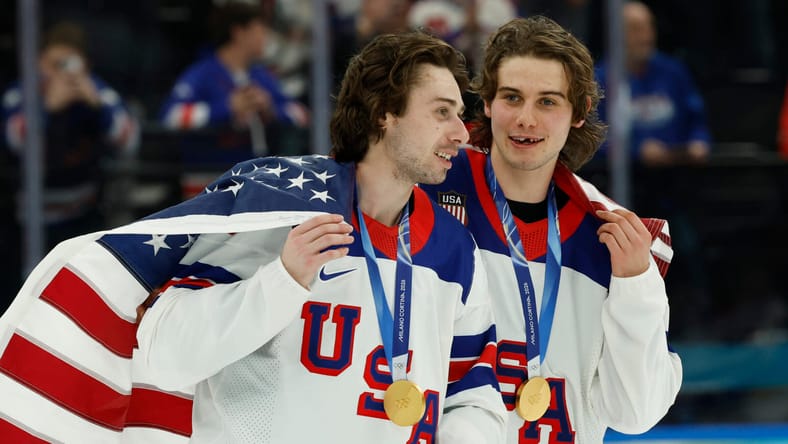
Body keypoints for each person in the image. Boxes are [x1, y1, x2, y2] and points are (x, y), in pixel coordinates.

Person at [0, 30, 506, 443]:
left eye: (460, 115)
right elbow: (166, 350)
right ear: (384, 113)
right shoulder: (279, 213)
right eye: (441, 112)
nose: (462, 133)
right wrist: (282, 280)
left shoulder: (454, 251)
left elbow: (473, 393)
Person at [420, 16, 682, 443]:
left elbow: (636, 414)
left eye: (547, 102)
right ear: (486, 102)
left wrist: (635, 287)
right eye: (512, 97)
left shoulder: (611, 239)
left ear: (577, 113)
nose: (526, 118)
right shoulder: (426, 194)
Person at [1, 20, 139, 251]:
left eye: (68, 64)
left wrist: (98, 108)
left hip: (84, 215)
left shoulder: (95, 91)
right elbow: (14, 140)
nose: (60, 73)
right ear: (38, 63)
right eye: (53, 64)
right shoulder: (22, 92)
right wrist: (46, 109)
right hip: (28, 218)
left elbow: (129, 141)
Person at [159, 1, 309, 196]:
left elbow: (301, 115)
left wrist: (270, 109)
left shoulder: (260, 76)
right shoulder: (203, 73)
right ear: (239, 32)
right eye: (259, 31)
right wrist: (227, 107)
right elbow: (171, 117)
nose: (265, 38)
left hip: (256, 180)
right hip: (208, 184)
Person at [595, 0, 711, 166]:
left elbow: (696, 119)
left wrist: (699, 141)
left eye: (649, 27)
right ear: (616, 33)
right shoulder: (599, 79)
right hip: (625, 179)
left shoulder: (673, 71)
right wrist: (636, 149)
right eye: (636, 29)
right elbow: (592, 138)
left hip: (677, 174)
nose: (646, 36)